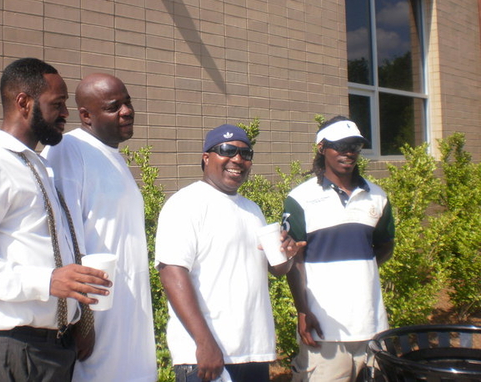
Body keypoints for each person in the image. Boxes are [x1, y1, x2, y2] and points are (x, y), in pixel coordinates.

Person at [0, 58, 111, 382]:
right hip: (13, 350)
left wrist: (78, 320)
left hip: (52, 349)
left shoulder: (37, 167)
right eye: (57, 104)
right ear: (24, 103)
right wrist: (47, 281)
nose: (66, 113)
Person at [155, 124, 305, 382]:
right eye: (227, 150)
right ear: (206, 158)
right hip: (205, 356)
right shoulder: (185, 203)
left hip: (253, 352)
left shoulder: (252, 210)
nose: (237, 159)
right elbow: (171, 273)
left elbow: (275, 269)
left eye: (246, 154)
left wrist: (286, 255)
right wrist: (204, 343)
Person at [42, 73, 157, 382]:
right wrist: (82, 321)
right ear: (86, 116)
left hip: (128, 317)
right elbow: (62, 239)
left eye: (128, 103)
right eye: (113, 106)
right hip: (97, 321)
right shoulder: (68, 150)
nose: (127, 111)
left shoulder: (112, 156)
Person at [285, 116, 395, 382]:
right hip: (325, 330)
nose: (349, 152)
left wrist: (359, 271)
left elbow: (385, 246)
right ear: (322, 147)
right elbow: (294, 260)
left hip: (372, 326)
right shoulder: (300, 198)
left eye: (354, 146)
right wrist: (303, 310)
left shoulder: (377, 196)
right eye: (341, 145)